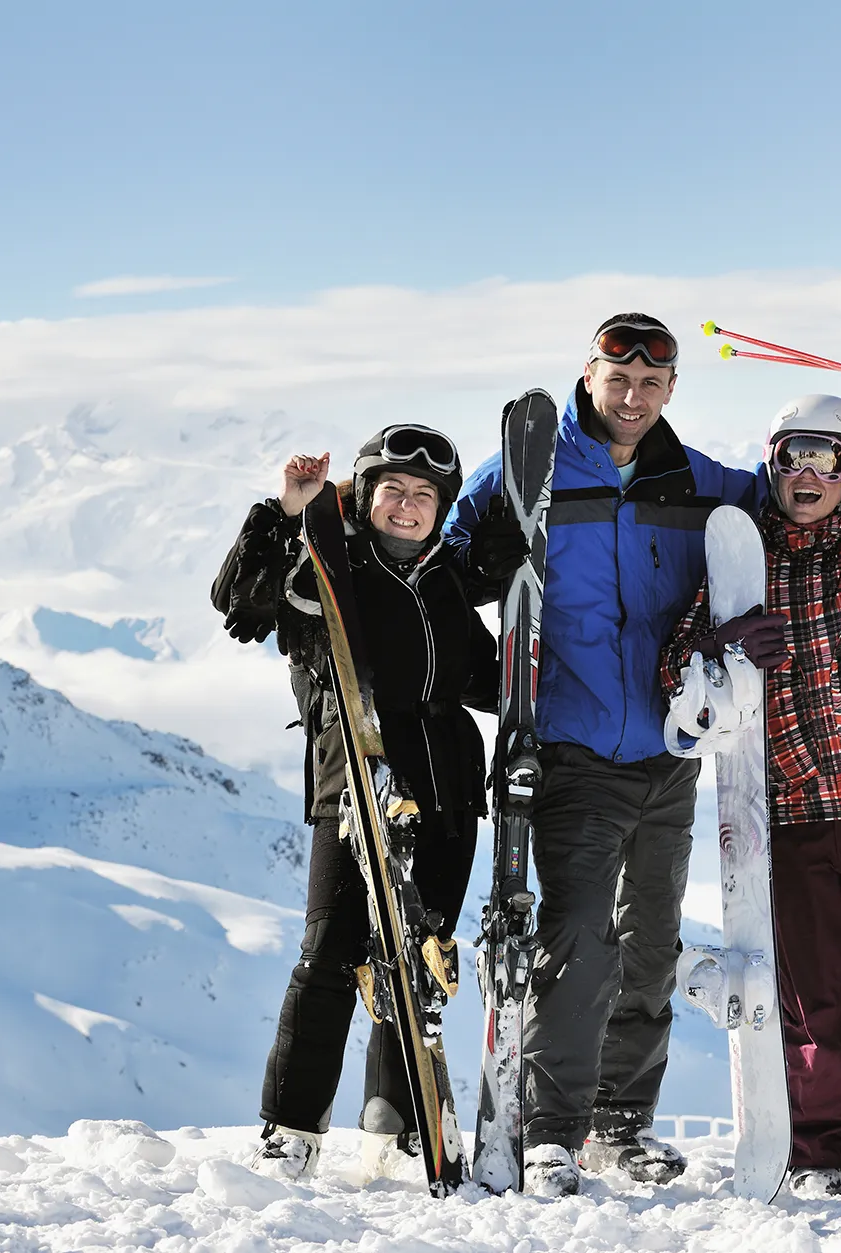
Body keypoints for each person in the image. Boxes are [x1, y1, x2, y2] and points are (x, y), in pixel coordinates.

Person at [444, 315, 759, 1197]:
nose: (633, 397)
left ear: (670, 391)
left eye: (652, 384)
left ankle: (618, 1128)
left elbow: (794, 487)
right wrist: (483, 559)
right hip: (574, 745)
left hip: (668, 749)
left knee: (650, 940)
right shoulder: (533, 466)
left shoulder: (695, 481)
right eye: (618, 378)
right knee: (578, 935)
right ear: (589, 375)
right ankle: (551, 1129)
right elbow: (449, 554)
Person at [660, 370, 841, 1198]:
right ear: (774, 463)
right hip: (788, 820)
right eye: (793, 457)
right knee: (813, 1007)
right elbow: (676, 675)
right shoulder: (739, 563)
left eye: (828, 459)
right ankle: (824, 1152)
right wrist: (719, 642)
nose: (808, 476)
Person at [210, 425, 497, 1181]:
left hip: (446, 790)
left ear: (441, 508)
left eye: (425, 496)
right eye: (394, 491)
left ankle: (396, 1123)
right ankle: (291, 1126)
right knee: (333, 951)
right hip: (356, 781)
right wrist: (285, 514)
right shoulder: (327, 570)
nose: (407, 507)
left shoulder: (447, 581)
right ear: (367, 497)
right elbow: (241, 605)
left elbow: (477, 677)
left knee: (419, 959)